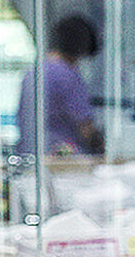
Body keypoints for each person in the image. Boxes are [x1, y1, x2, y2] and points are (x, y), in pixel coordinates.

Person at [16, 15, 104, 156]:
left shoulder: (32, 72)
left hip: (30, 155)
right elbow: (86, 127)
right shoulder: (67, 75)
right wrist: (104, 148)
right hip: (63, 159)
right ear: (82, 49)